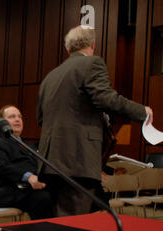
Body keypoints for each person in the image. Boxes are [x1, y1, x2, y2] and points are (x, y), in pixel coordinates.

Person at [36, 25, 154, 217]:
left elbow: (40, 118)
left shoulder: (50, 77)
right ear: (93, 45)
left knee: (59, 218)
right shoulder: (92, 63)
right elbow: (107, 99)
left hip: (51, 161)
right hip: (77, 158)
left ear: (68, 49)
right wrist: (142, 111)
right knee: (75, 224)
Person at [0, 105, 53, 220]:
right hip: (9, 191)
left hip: (31, 189)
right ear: (1, 123)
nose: (17, 119)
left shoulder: (28, 145)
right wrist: (28, 177)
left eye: (20, 117)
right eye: (12, 117)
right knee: (43, 198)